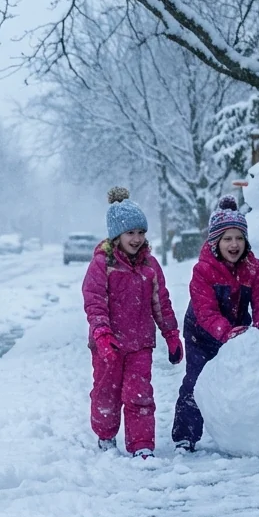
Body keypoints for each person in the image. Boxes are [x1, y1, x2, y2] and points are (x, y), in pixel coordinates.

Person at [81, 187, 181, 459]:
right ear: (117, 236)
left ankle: (141, 445)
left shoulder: (150, 266)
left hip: (140, 344)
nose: (137, 239)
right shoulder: (102, 264)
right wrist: (102, 333)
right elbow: (94, 301)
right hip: (108, 344)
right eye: (130, 233)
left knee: (140, 394)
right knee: (106, 393)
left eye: (141, 233)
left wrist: (171, 334)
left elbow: (161, 302)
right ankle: (105, 434)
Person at [172, 196, 259, 452]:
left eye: (239, 238)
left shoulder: (252, 267)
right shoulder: (204, 270)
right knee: (196, 382)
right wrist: (224, 331)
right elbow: (205, 310)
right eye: (227, 238)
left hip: (238, 333)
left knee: (243, 381)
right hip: (201, 334)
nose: (234, 244)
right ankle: (185, 435)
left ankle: (242, 432)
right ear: (215, 241)